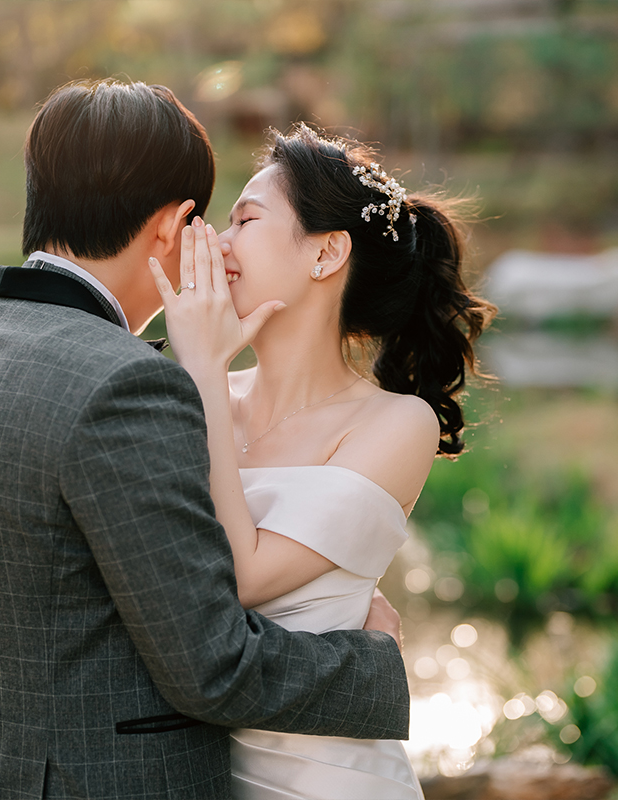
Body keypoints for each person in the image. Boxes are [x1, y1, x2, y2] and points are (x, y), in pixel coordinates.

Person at [0, 81, 410, 800]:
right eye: (210, 224)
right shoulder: (126, 383)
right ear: (172, 227)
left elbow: (34, 596)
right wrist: (374, 663)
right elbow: (211, 665)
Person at [147, 124, 496, 798]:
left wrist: (204, 372)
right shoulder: (194, 391)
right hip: (193, 775)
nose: (218, 244)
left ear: (327, 252)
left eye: (245, 219)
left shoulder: (396, 422)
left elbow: (240, 576)